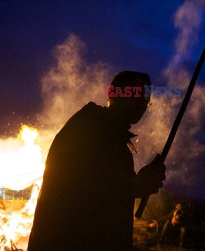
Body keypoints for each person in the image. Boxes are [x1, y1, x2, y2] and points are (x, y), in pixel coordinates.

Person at [28, 71, 166, 251]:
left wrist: (141, 183)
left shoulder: (116, 141)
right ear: (112, 94)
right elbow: (79, 185)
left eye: (145, 99)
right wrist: (134, 186)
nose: (141, 103)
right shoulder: (88, 126)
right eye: (135, 94)